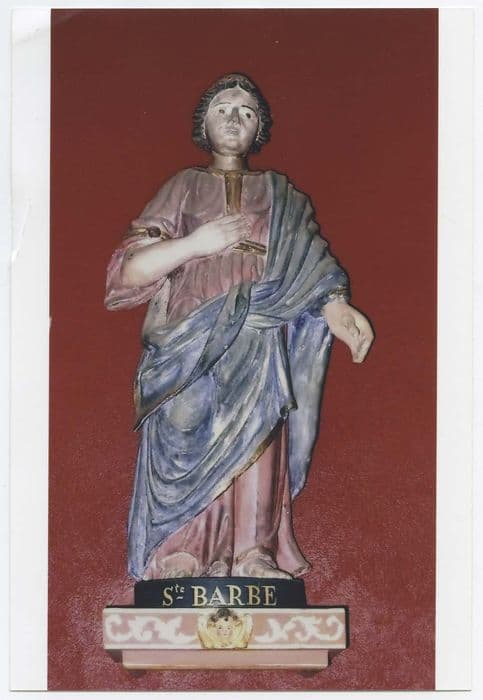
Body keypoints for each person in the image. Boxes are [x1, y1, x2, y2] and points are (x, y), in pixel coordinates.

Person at [105, 73, 373, 582]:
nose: (234, 118)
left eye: (247, 112)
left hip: (257, 328)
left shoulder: (281, 194)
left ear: (259, 130)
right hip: (189, 332)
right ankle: (179, 552)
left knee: (257, 434)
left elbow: (312, 266)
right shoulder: (183, 186)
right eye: (223, 109)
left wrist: (336, 307)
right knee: (183, 423)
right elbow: (128, 272)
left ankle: (254, 554)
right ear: (203, 124)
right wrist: (196, 244)